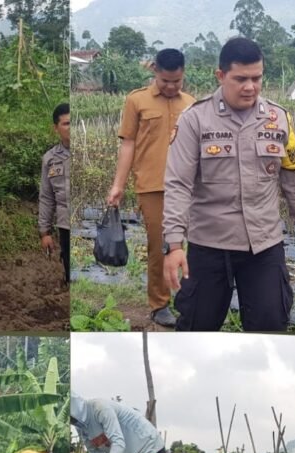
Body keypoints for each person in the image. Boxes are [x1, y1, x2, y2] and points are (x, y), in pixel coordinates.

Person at [162, 37, 295, 332]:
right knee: (197, 326)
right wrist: (173, 244)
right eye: (241, 79)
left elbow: (294, 177)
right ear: (220, 76)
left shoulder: (279, 118)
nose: (250, 87)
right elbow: (178, 184)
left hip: (264, 245)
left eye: (257, 78)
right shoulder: (195, 120)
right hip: (209, 244)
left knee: (270, 325)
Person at [106, 49, 196, 327]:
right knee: (161, 246)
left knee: (193, 247)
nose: (171, 87)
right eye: (166, 80)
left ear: (183, 75)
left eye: (177, 81)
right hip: (152, 186)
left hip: (190, 187)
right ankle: (159, 304)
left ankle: (189, 300)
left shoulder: (192, 104)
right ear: (155, 71)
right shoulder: (137, 100)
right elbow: (128, 143)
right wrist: (118, 185)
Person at [39, 102, 70, 284]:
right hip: (66, 226)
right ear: (56, 128)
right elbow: (46, 197)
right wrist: (45, 232)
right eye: (66, 124)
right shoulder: (50, 159)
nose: (71, 128)